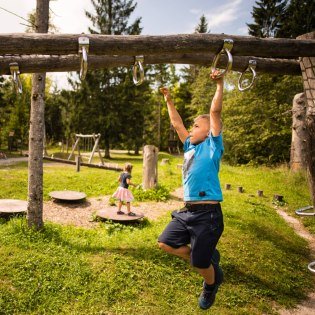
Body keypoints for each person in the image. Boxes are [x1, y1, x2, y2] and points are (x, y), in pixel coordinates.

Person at [158, 70, 225, 310]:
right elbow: (176, 124)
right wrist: (169, 100)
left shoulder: (212, 146)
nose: (191, 128)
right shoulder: (189, 146)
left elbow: (215, 112)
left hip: (208, 214)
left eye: (196, 125)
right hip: (188, 212)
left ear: (207, 132)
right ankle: (207, 260)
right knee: (165, 243)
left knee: (199, 265)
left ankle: (210, 284)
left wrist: (219, 84)